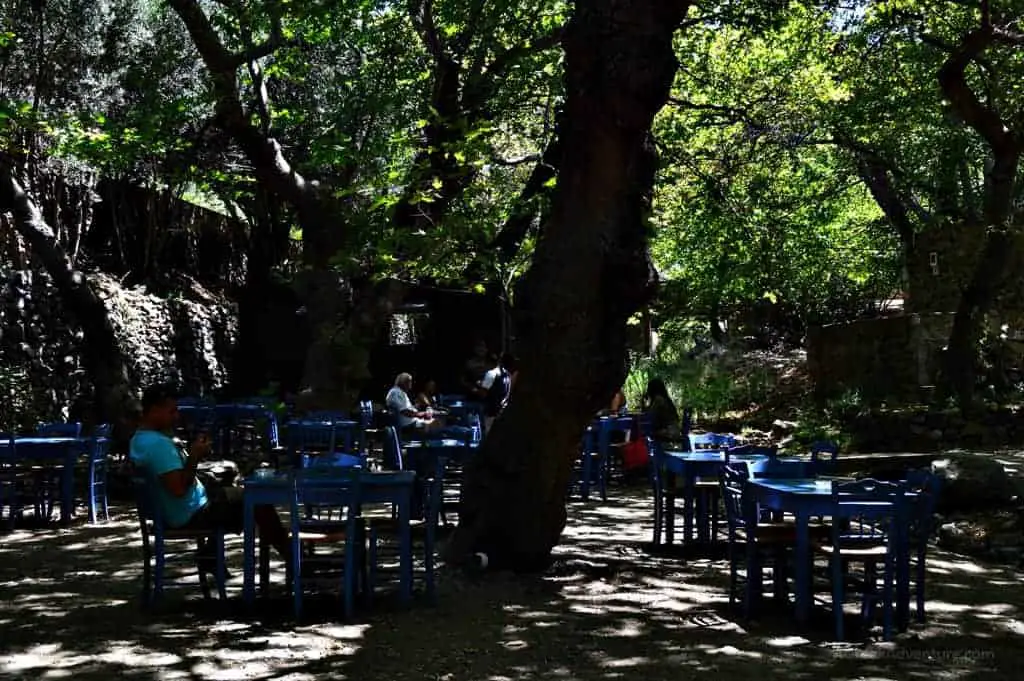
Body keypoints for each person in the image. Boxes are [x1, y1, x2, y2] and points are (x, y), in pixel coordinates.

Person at [129, 383, 290, 569]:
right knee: (258, 501)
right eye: (171, 412)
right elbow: (179, 488)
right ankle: (295, 563)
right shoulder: (158, 445)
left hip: (180, 509)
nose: (176, 417)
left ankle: (211, 554)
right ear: (155, 410)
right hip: (191, 514)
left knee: (230, 481)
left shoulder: (139, 439)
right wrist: (195, 456)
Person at [477, 353, 514, 434]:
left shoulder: (491, 374)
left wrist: (476, 387)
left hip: (490, 412)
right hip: (501, 411)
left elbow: (483, 393)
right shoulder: (507, 375)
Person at [643, 377, 681, 442]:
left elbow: (650, 414)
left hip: (668, 432)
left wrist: (643, 402)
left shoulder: (659, 400)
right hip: (674, 429)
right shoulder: (664, 399)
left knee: (644, 432)